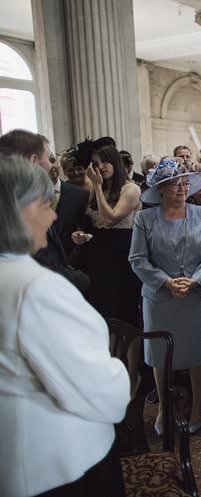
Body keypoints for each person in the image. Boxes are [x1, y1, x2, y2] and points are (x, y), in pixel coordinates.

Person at [0, 155, 130, 497]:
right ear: (19, 209)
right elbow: (95, 388)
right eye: (46, 204)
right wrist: (120, 376)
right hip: (61, 462)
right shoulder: (36, 288)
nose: (54, 215)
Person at [129, 159, 201, 434]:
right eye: (175, 183)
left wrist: (194, 281)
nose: (182, 187)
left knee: (198, 353)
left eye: (184, 182)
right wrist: (166, 282)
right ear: (160, 189)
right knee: (161, 354)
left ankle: (197, 406)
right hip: (161, 298)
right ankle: (164, 407)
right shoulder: (144, 219)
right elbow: (137, 259)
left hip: (199, 296)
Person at [0, 129, 89, 292]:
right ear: (33, 160)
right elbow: (39, 260)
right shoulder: (19, 203)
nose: (52, 165)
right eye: (49, 159)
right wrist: (78, 279)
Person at [72, 145, 142, 326]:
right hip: (98, 254)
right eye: (96, 163)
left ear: (116, 163)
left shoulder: (131, 189)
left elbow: (110, 218)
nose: (101, 166)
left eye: (106, 161)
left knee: (124, 312)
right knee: (101, 310)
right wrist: (80, 234)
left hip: (123, 253)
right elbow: (92, 223)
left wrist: (96, 185)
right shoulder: (96, 191)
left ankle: (128, 355)